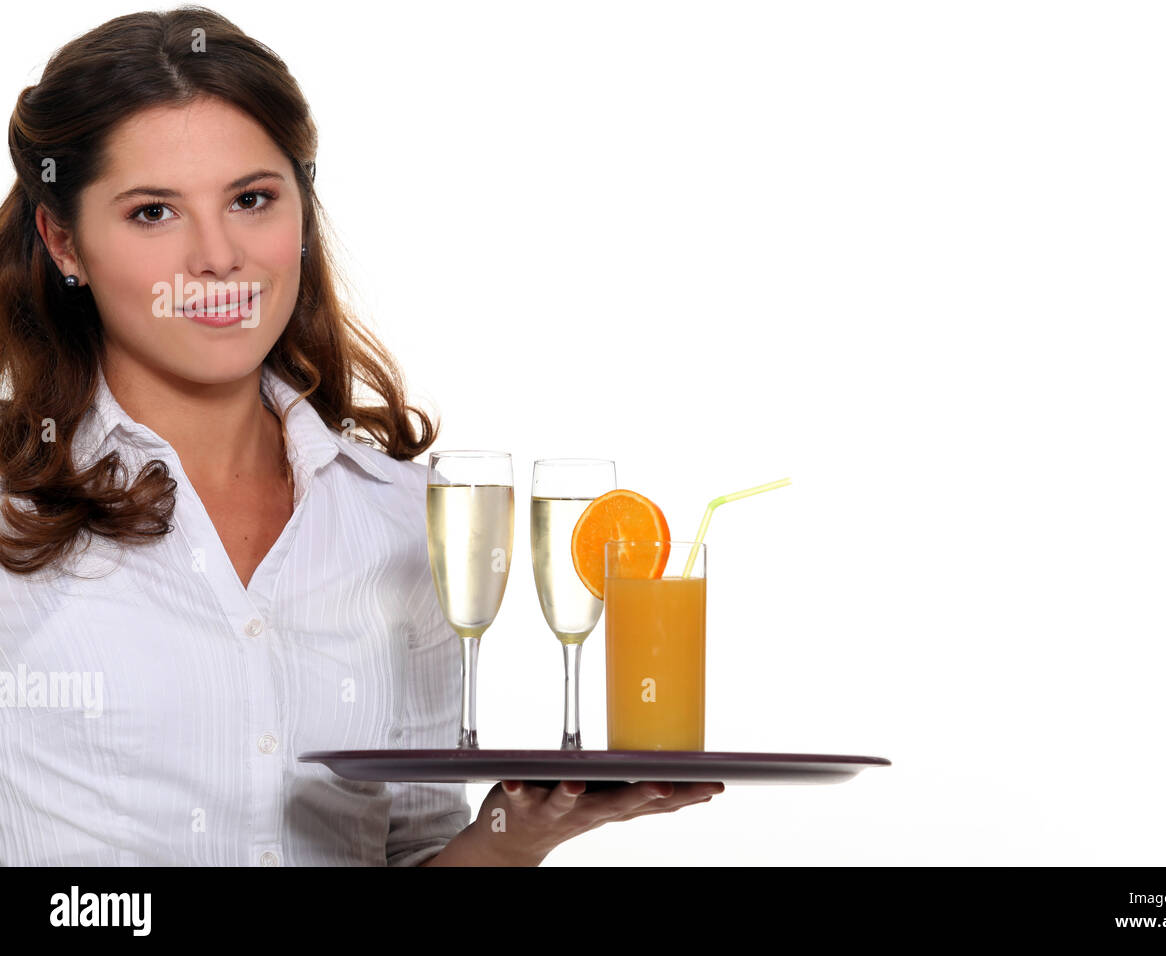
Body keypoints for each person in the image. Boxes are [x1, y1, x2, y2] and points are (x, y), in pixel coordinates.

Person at [0, 6, 721, 867]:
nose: (220, 256)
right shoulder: (14, 513)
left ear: (300, 213)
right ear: (63, 239)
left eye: (252, 199)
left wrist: (512, 837)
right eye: (154, 212)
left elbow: (409, 854)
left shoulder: (403, 522)